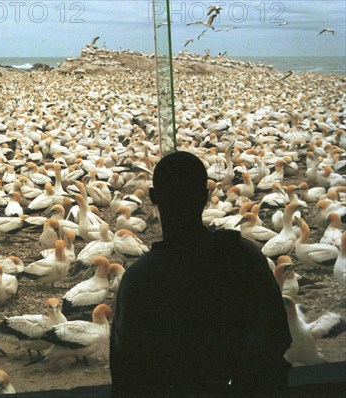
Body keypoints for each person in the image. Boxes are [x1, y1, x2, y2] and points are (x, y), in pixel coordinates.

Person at [110, 151, 291, 397]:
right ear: (205, 198)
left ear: (153, 197)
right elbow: (276, 337)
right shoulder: (244, 258)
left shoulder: (140, 279)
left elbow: (127, 372)